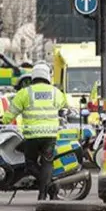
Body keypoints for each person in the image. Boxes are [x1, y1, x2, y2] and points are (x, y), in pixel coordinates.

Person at [2, 63, 67, 200]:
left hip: (32, 135)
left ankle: (46, 191)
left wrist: (3, 120)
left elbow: (12, 112)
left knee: (30, 164)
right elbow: (63, 104)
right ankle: (44, 193)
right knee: (47, 163)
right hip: (49, 135)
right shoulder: (55, 92)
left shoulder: (26, 93)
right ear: (47, 76)